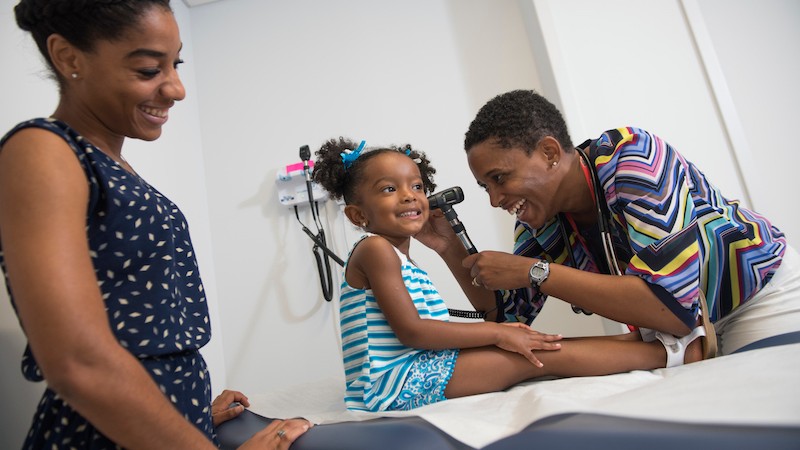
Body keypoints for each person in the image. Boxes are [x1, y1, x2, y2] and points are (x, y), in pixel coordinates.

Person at [0, 1, 310, 448]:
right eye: (149, 70)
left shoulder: (114, 164)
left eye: (175, 64)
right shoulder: (44, 151)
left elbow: (130, 320)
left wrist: (191, 413)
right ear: (69, 58)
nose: (177, 89)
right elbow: (78, 362)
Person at [311, 137, 705, 413]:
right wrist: (501, 333)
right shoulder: (377, 250)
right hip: (396, 384)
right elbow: (414, 332)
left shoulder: (396, 256)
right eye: (388, 189)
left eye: (416, 185)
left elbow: (458, 323)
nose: (410, 195)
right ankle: (665, 352)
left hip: (411, 372)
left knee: (531, 345)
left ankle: (653, 348)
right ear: (358, 216)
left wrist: (504, 331)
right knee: (532, 355)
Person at [441, 89, 799, 357]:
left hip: (759, 300)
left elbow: (672, 307)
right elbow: (506, 315)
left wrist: (536, 272)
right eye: (484, 186)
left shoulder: (632, 157)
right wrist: (446, 245)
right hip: (686, 331)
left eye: (500, 178)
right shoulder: (541, 217)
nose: (494, 199)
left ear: (549, 153)